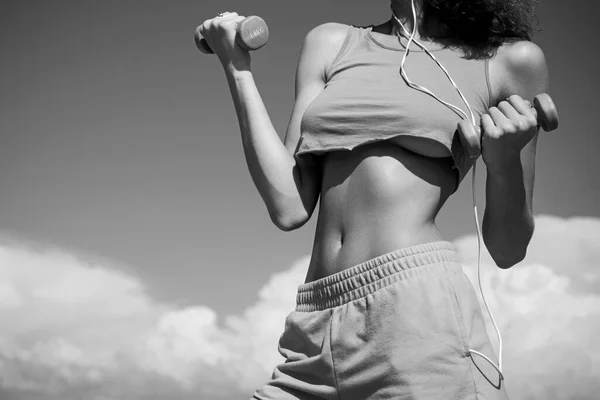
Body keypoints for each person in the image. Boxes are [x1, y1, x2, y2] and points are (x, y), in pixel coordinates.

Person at [198, 0, 547, 398]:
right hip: (316, 318)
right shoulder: (331, 42)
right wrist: (237, 68)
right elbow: (289, 206)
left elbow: (508, 248)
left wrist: (504, 164)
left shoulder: (508, 60)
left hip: (417, 318)